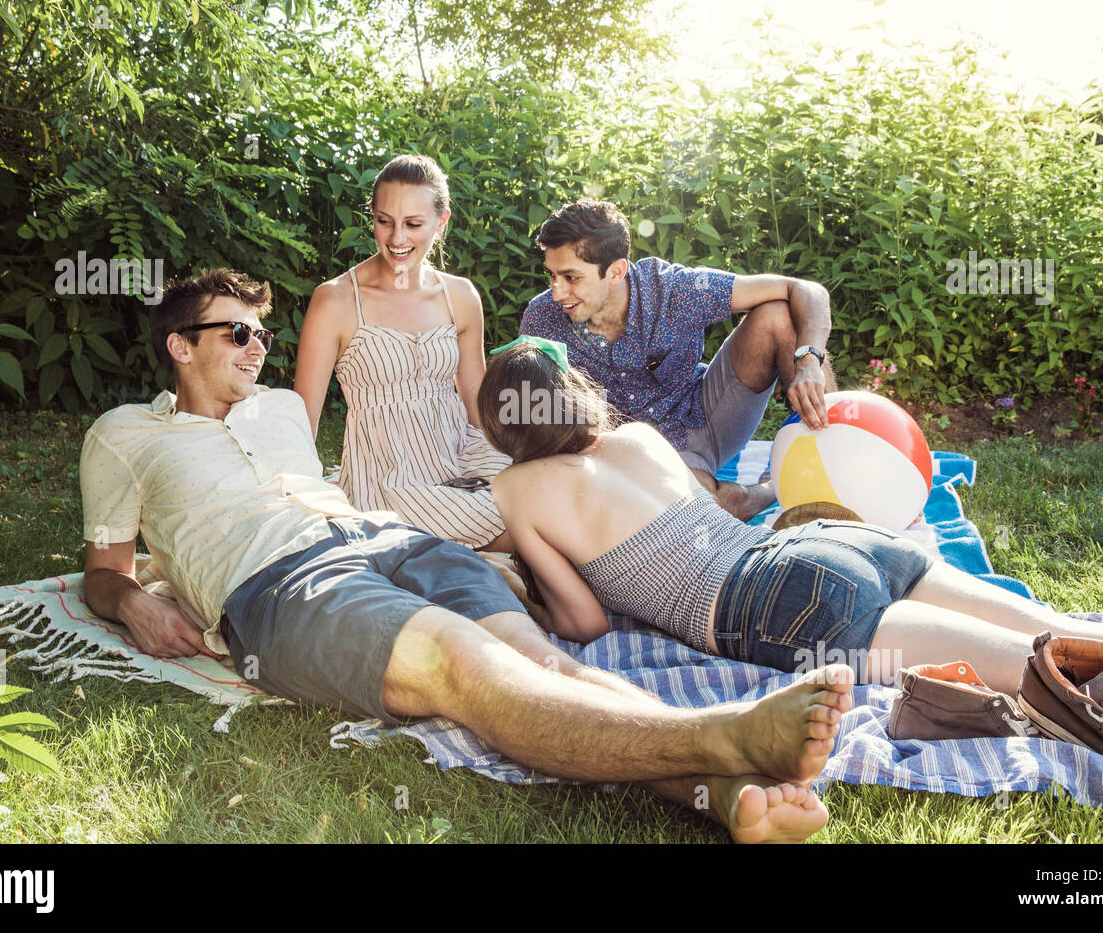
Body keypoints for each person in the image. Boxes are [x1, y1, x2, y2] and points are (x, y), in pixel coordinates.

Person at [80, 268, 858, 844]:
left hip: (390, 539)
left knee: (538, 659)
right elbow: (105, 573)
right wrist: (134, 598)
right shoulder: (123, 436)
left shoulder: (280, 408)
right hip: (284, 586)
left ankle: (721, 795)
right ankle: (724, 737)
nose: (258, 350)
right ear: (180, 345)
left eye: (263, 334)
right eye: (237, 333)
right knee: (462, 664)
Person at [477, 339, 1103, 730]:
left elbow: (584, 621)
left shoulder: (515, 488)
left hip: (784, 603)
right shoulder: (637, 435)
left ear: (503, 424)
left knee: (1043, 670)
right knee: (1063, 631)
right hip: (836, 544)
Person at [519, 199, 837, 521]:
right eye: (552, 275)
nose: (557, 292)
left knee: (778, 315)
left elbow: (805, 290)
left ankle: (838, 452)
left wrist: (808, 362)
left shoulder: (674, 289)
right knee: (698, 509)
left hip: (706, 415)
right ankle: (765, 491)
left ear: (615, 271)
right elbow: (525, 412)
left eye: (571, 278)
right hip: (633, 457)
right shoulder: (542, 320)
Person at [294, 154, 512, 552]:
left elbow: (475, 394)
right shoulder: (336, 301)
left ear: (441, 221)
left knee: (548, 494)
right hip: (388, 478)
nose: (397, 238)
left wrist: (513, 450)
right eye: (384, 221)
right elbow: (303, 422)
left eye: (413, 224)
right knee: (521, 530)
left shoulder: (459, 295)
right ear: (372, 216)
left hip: (461, 453)